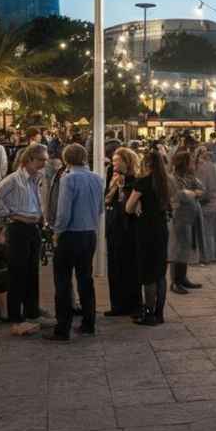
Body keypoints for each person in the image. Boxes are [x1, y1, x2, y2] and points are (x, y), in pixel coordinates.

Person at [0, 143, 51, 336]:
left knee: (32, 272)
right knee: (17, 273)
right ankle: (16, 318)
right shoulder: (14, 179)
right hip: (18, 229)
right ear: (29, 160)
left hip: (33, 228)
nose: (43, 164)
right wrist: (11, 215)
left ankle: (31, 311)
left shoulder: (36, 179)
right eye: (40, 160)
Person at [44, 143, 104, 342]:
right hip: (89, 233)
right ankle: (89, 323)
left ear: (66, 159)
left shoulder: (68, 179)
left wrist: (56, 233)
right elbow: (100, 208)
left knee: (62, 281)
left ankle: (63, 328)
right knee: (85, 279)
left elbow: (63, 212)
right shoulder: (97, 178)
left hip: (70, 234)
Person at [127, 148, 174, 326]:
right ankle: (159, 312)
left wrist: (138, 203)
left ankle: (149, 312)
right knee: (160, 271)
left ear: (146, 164)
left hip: (146, 229)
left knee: (148, 273)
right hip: (161, 228)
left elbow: (128, 208)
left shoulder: (143, 182)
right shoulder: (166, 182)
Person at [105, 146, 142, 317]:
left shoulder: (134, 180)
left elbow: (131, 206)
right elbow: (106, 200)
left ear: (126, 162)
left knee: (130, 266)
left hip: (129, 228)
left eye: (116, 161)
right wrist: (113, 187)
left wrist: (121, 187)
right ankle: (117, 305)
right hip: (114, 227)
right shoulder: (111, 177)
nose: (113, 164)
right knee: (114, 266)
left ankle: (134, 305)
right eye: (112, 161)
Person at [168, 150, 204, 295]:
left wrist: (192, 193)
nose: (193, 164)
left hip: (190, 216)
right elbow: (179, 195)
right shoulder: (173, 178)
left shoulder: (190, 177)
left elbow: (202, 190)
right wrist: (191, 193)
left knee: (186, 247)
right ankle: (175, 282)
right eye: (190, 161)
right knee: (178, 249)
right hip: (180, 217)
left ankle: (183, 278)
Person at [194, 146, 216, 264]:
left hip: (207, 202)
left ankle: (207, 256)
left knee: (206, 231)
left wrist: (199, 199)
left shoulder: (202, 169)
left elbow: (203, 189)